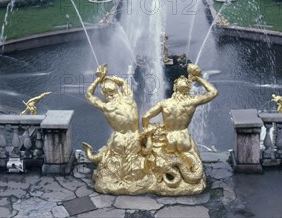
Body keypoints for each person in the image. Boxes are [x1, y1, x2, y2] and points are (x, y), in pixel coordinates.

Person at [141, 64, 218, 194]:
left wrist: (151, 130)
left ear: (174, 87)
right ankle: (190, 179)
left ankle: (166, 179)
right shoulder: (191, 102)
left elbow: (145, 117)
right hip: (183, 138)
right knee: (193, 160)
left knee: (164, 158)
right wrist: (198, 78)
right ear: (188, 89)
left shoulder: (164, 103)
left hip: (169, 139)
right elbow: (213, 92)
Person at [82, 64, 147, 194]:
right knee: (132, 163)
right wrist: (109, 76)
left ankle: (116, 180)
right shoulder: (129, 98)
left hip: (119, 139)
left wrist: (99, 79)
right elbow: (123, 82)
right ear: (117, 89)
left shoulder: (107, 107)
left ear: (104, 93)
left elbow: (88, 95)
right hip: (135, 138)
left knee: (116, 166)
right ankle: (132, 181)